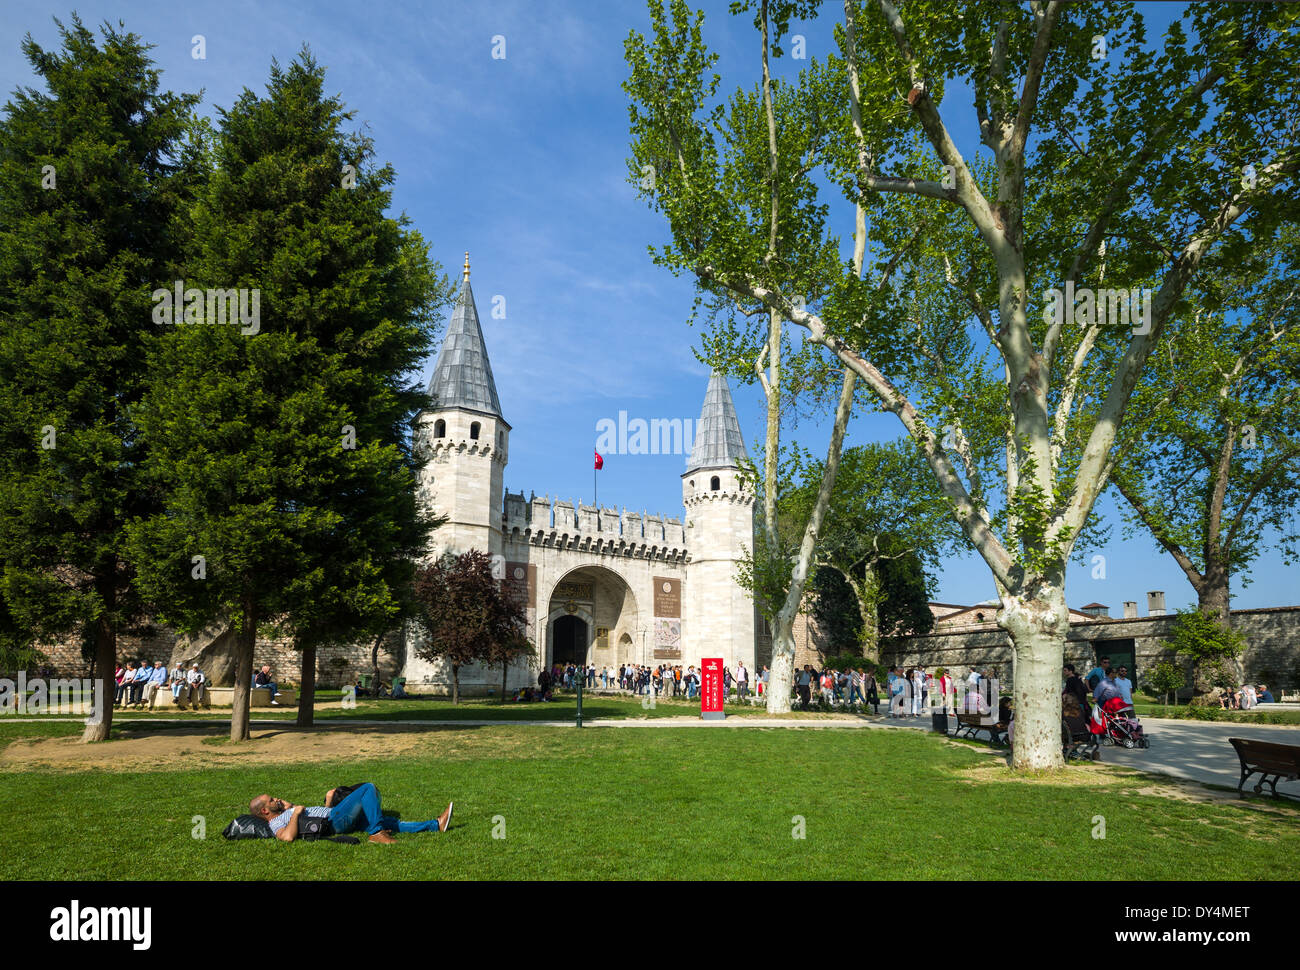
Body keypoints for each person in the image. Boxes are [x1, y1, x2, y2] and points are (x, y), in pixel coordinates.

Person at [249, 783, 452, 844]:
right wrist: (296, 812)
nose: (276, 800)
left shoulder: (283, 811)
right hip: (334, 820)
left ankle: (435, 824)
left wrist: (289, 806)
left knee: (390, 821)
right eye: (272, 800)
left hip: (334, 816)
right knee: (367, 789)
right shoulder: (275, 824)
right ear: (265, 810)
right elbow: (286, 837)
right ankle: (377, 833)